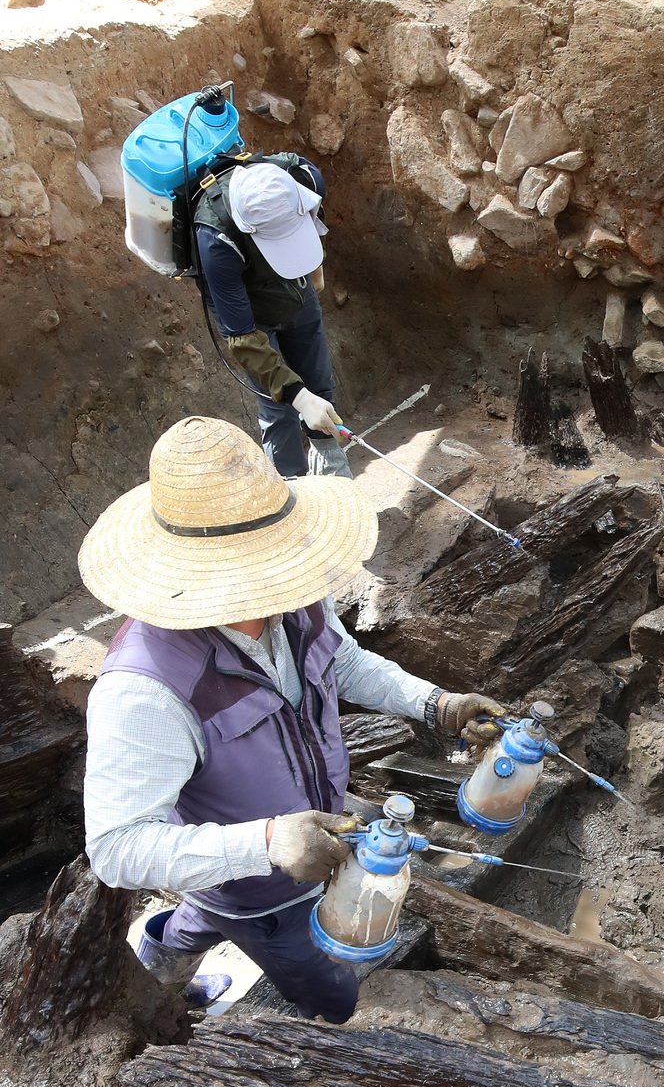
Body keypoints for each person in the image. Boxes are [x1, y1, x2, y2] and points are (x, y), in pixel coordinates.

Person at [79, 416, 503, 1024]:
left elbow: (346, 662)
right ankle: (159, 1003)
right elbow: (118, 848)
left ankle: (161, 948)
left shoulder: (295, 592)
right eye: (266, 563)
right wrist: (271, 842)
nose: (289, 575)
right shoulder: (144, 690)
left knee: (204, 914)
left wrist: (435, 703)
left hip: (300, 838)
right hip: (261, 891)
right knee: (334, 994)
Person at [193, 149, 349, 479]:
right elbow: (244, 337)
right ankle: (290, 495)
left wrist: (313, 266)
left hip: (296, 289)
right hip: (251, 314)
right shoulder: (215, 240)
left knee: (320, 388)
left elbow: (314, 214)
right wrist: (298, 397)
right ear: (250, 230)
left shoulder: (303, 177)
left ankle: (335, 480)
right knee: (280, 408)